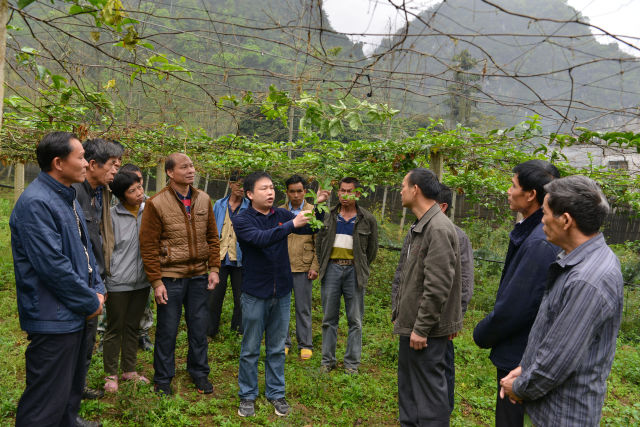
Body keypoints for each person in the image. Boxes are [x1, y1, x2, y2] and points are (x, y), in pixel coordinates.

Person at [500, 176, 623, 426]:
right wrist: (526, 367)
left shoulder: (588, 280)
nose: (541, 220)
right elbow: (556, 336)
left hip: (563, 415)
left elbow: (557, 362)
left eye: (545, 213)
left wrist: (520, 387)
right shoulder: (580, 260)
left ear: (565, 220)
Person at [11, 131, 105, 427]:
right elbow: (53, 267)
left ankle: (68, 421)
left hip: (73, 311)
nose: (87, 163)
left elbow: (85, 250)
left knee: (69, 386)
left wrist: (98, 287)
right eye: (81, 157)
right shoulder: (36, 203)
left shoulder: (67, 196)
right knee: (45, 400)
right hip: (54, 316)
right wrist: (89, 301)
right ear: (58, 163)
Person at [231, 172, 329, 418]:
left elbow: (311, 226)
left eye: (272, 188)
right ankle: (247, 395)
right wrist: (290, 226)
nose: (270, 192)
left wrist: (318, 206)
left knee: (276, 348)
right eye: (264, 188)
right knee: (250, 348)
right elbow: (260, 239)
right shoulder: (243, 219)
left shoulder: (281, 215)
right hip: (255, 293)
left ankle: (275, 393)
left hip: (282, 292)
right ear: (250, 194)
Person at [472, 160, 560, 427]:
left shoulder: (539, 243)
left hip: (520, 353)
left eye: (513, 186)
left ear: (531, 194)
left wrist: (482, 333)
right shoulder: (533, 232)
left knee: (510, 418)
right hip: (520, 349)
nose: (508, 192)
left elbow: (517, 307)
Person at [139, 153, 220, 396]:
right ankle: (163, 378)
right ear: (170, 172)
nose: (191, 170)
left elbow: (212, 237)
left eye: (192, 166)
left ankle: (199, 373)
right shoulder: (156, 203)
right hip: (170, 277)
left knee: (199, 328)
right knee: (167, 330)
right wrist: (156, 281)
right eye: (184, 167)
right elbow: (148, 246)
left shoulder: (203, 199)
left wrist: (214, 268)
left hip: (198, 276)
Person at [391, 168, 463, 426]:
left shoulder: (438, 228)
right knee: (410, 394)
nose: (400, 191)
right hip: (413, 328)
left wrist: (421, 328)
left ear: (415, 190)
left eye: (403, 186)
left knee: (429, 400)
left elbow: (437, 286)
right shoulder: (422, 225)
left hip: (426, 334)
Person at [72, 138, 122, 401]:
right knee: (72, 341)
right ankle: (68, 393)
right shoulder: (73, 194)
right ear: (93, 164)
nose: (115, 171)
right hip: (79, 280)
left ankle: (77, 388)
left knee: (87, 339)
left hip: (93, 278)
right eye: (112, 165)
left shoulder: (100, 193)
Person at [316, 177, 378, 374]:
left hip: (354, 272)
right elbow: (318, 243)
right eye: (342, 190)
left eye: (349, 191)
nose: (344, 195)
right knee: (329, 318)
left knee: (355, 320)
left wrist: (359, 266)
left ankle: (351, 364)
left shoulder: (367, 219)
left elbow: (372, 250)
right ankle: (327, 361)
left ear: (357, 194)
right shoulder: (328, 215)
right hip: (332, 269)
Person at [102, 171, 151, 393]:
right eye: (132, 191)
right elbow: (106, 248)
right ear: (121, 196)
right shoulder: (111, 216)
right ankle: (110, 374)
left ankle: (129, 370)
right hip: (118, 282)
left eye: (139, 187)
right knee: (115, 327)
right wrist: (107, 277)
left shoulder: (148, 211)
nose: (139, 193)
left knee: (133, 326)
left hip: (142, 281)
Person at [436, 184, 474, 413]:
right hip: (415, 318)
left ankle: (442, 412)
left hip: (443, 318)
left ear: (442, 207)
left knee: (442, 366)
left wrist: (455, 318)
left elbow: (465, 282)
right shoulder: (415, 230)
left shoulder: (458, 237)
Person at [281, 175, 319, 359]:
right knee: (281, 308)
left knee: (303, 307)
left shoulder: (313, 211)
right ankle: (283, 342)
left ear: (305, 191)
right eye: (292, 191)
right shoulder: (280, 211)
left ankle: (305, 344)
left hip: (303, 266)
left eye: (299, 191)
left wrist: (314, 266)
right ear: (287, 192)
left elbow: (319, 241)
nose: (295, 195)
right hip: (282, 266)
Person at [208, 172, 250, 338]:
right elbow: (211, 229)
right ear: (230, 184)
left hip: (241, 259)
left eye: (244, 185)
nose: (241, 188)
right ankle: (210, 331)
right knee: (214, 297)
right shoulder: (219, 204)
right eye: (238, 184)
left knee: (241, 298)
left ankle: (238, 332)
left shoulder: (249, 206)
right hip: (219, 258)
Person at [119, 163, 154, 351]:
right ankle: (108, 334)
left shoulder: (151, 204)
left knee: (144, 300)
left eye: (140, 182)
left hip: (144, 260)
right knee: (114, 304)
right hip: (120, 263)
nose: (139, 188)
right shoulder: (114, 204)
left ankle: (143, 334)